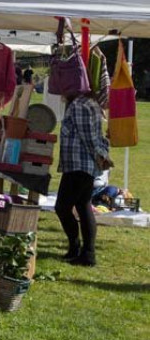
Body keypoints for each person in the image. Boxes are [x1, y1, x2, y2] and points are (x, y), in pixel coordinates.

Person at [55, 92, 111, 267]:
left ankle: (80, 250)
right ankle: (86, 253)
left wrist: (102, 156)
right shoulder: (86, 103)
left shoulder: (81, 104)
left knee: (63, 207)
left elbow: (90, 138)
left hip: (80, 164)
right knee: (82, 205)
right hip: (81, 164)